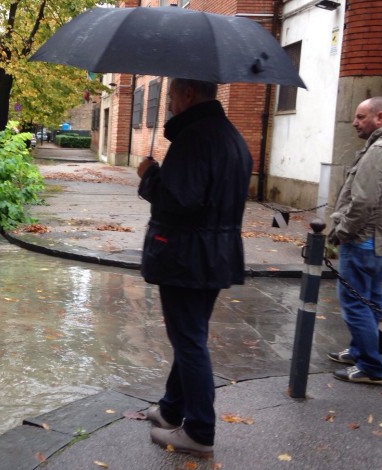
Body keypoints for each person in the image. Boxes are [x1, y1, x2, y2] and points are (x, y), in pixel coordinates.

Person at [136, 78, 252, 459]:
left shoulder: (195, 138)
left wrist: (149, 175)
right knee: (191, 335)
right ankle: (172, 409)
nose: (168, 104)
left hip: (187, 255)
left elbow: (178, 199)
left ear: (187, 95)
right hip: (214, 252)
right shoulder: (231, 136)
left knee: (189, 341)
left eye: (170, 96)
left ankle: (199, 431)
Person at [326, 96, 382, 385]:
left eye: (360, 117)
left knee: (355, 303)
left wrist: (342, 232)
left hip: (364, 237)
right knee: (371, 298)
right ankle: (360, 350)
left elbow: (364, 200)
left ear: (379, 117)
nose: (354, 122)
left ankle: (370, 367)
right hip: (381, 239)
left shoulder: (381, 148)